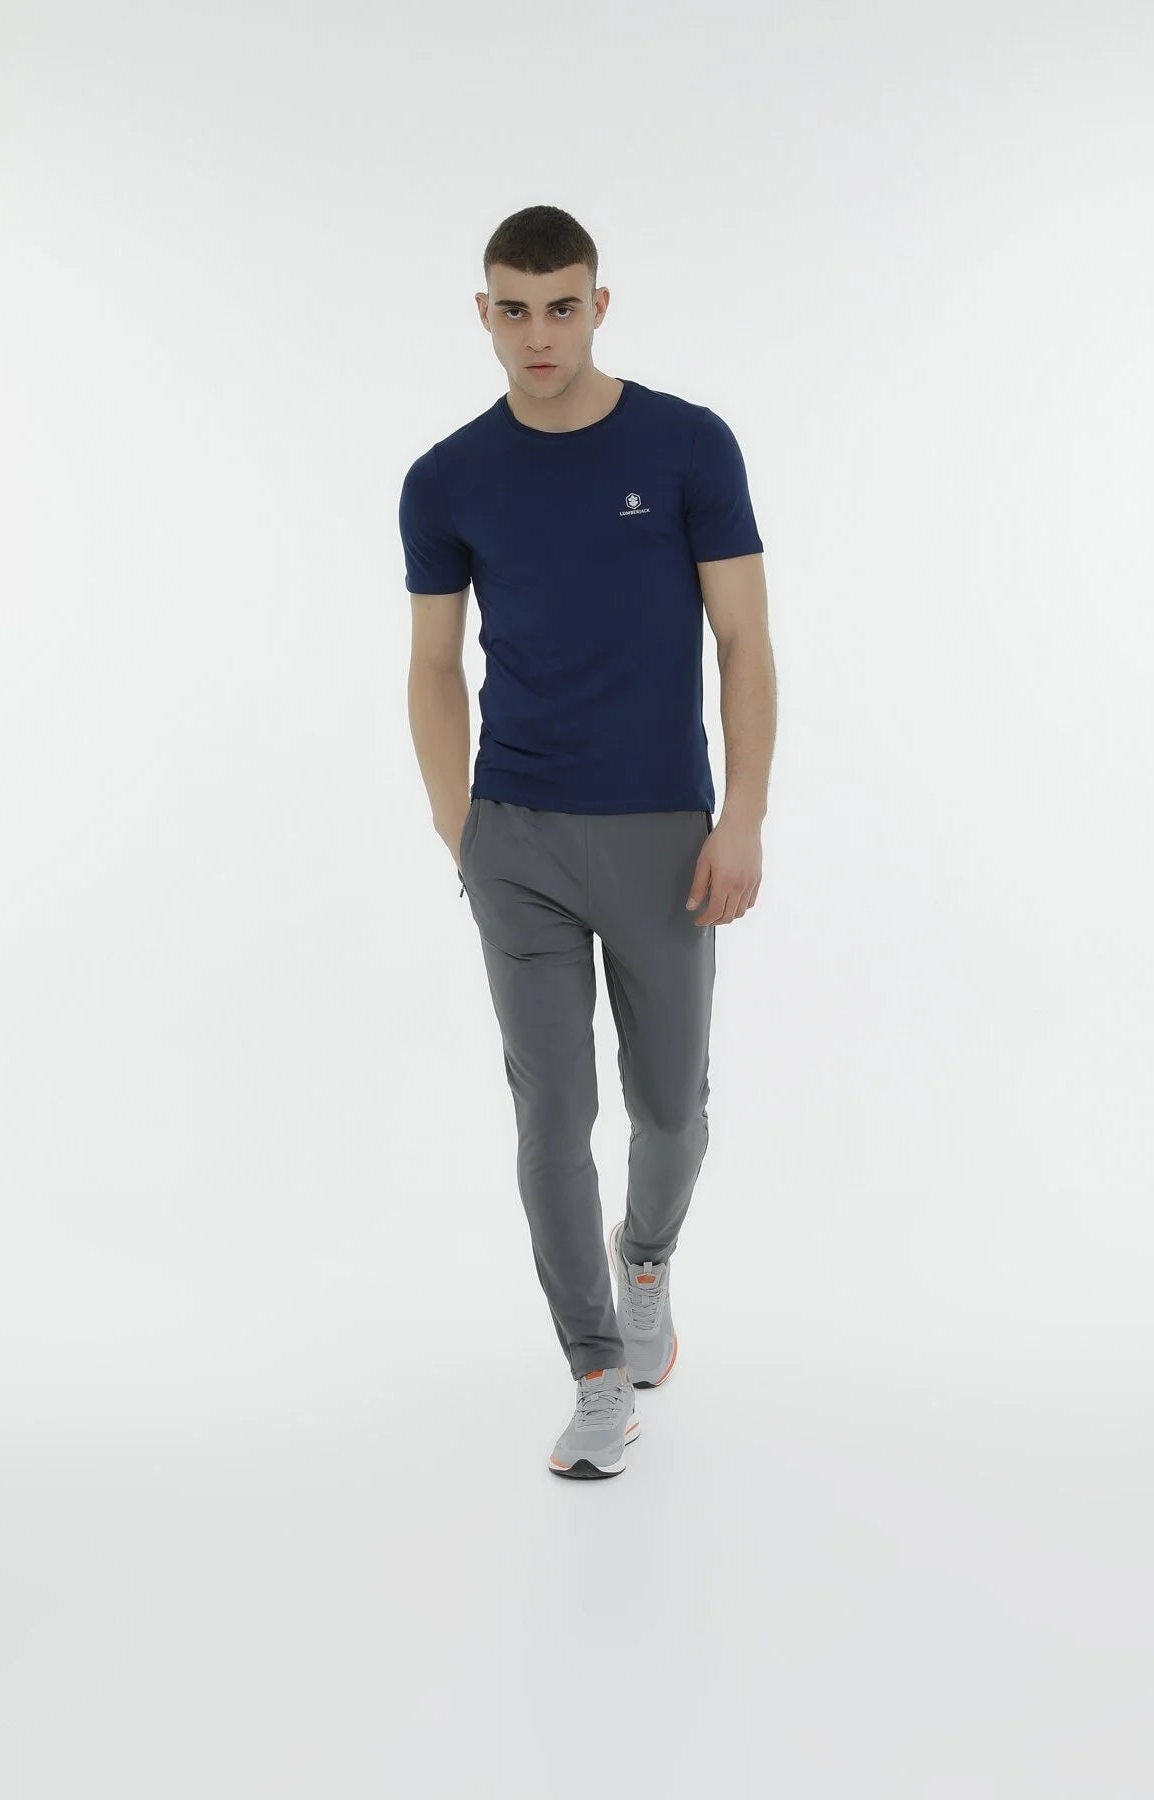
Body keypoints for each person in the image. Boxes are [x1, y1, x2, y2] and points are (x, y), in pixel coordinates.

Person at [397, 204, 776, 1479]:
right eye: (514, 309)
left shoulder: (687, 445)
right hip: (517, 838)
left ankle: (646, 1259)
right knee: (552, 1115)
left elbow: (744, 640)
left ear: (598, 306)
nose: (539, 333)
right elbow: (433, 665)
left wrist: (743, 816)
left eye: (562, 306)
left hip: (666, 833)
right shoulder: (447, 478)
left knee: (672, 1110)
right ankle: (596, 1370)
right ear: (485, 314)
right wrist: (461, 829)